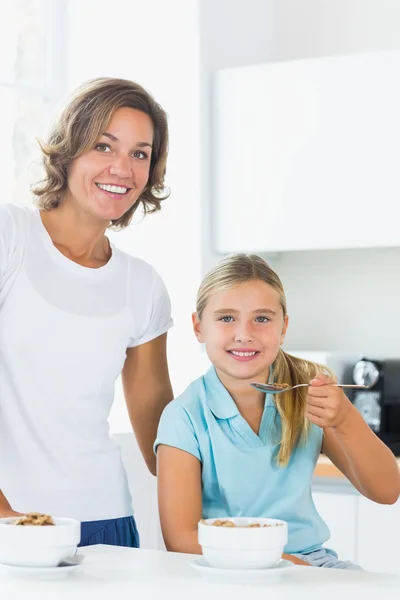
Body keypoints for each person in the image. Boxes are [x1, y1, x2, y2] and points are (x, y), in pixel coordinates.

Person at [0, 77, 174, 548]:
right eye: (104, 145)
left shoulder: (143, 285)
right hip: (13, 520)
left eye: (141, 153)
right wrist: (5, 515)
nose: (123, 168)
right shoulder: (11, 239)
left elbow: (162, 432)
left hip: (107, 523)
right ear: (68, 150)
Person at [155, 254, 400, 568]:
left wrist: (344, 419)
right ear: (198, 327)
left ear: (283, 327)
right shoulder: (183, 417)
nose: (244, 333)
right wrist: (285, 565)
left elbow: (387, 490)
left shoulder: (309, 395)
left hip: (313, 564)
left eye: (262, 318)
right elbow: (181, 538)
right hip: (224, 570)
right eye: (226, 318)